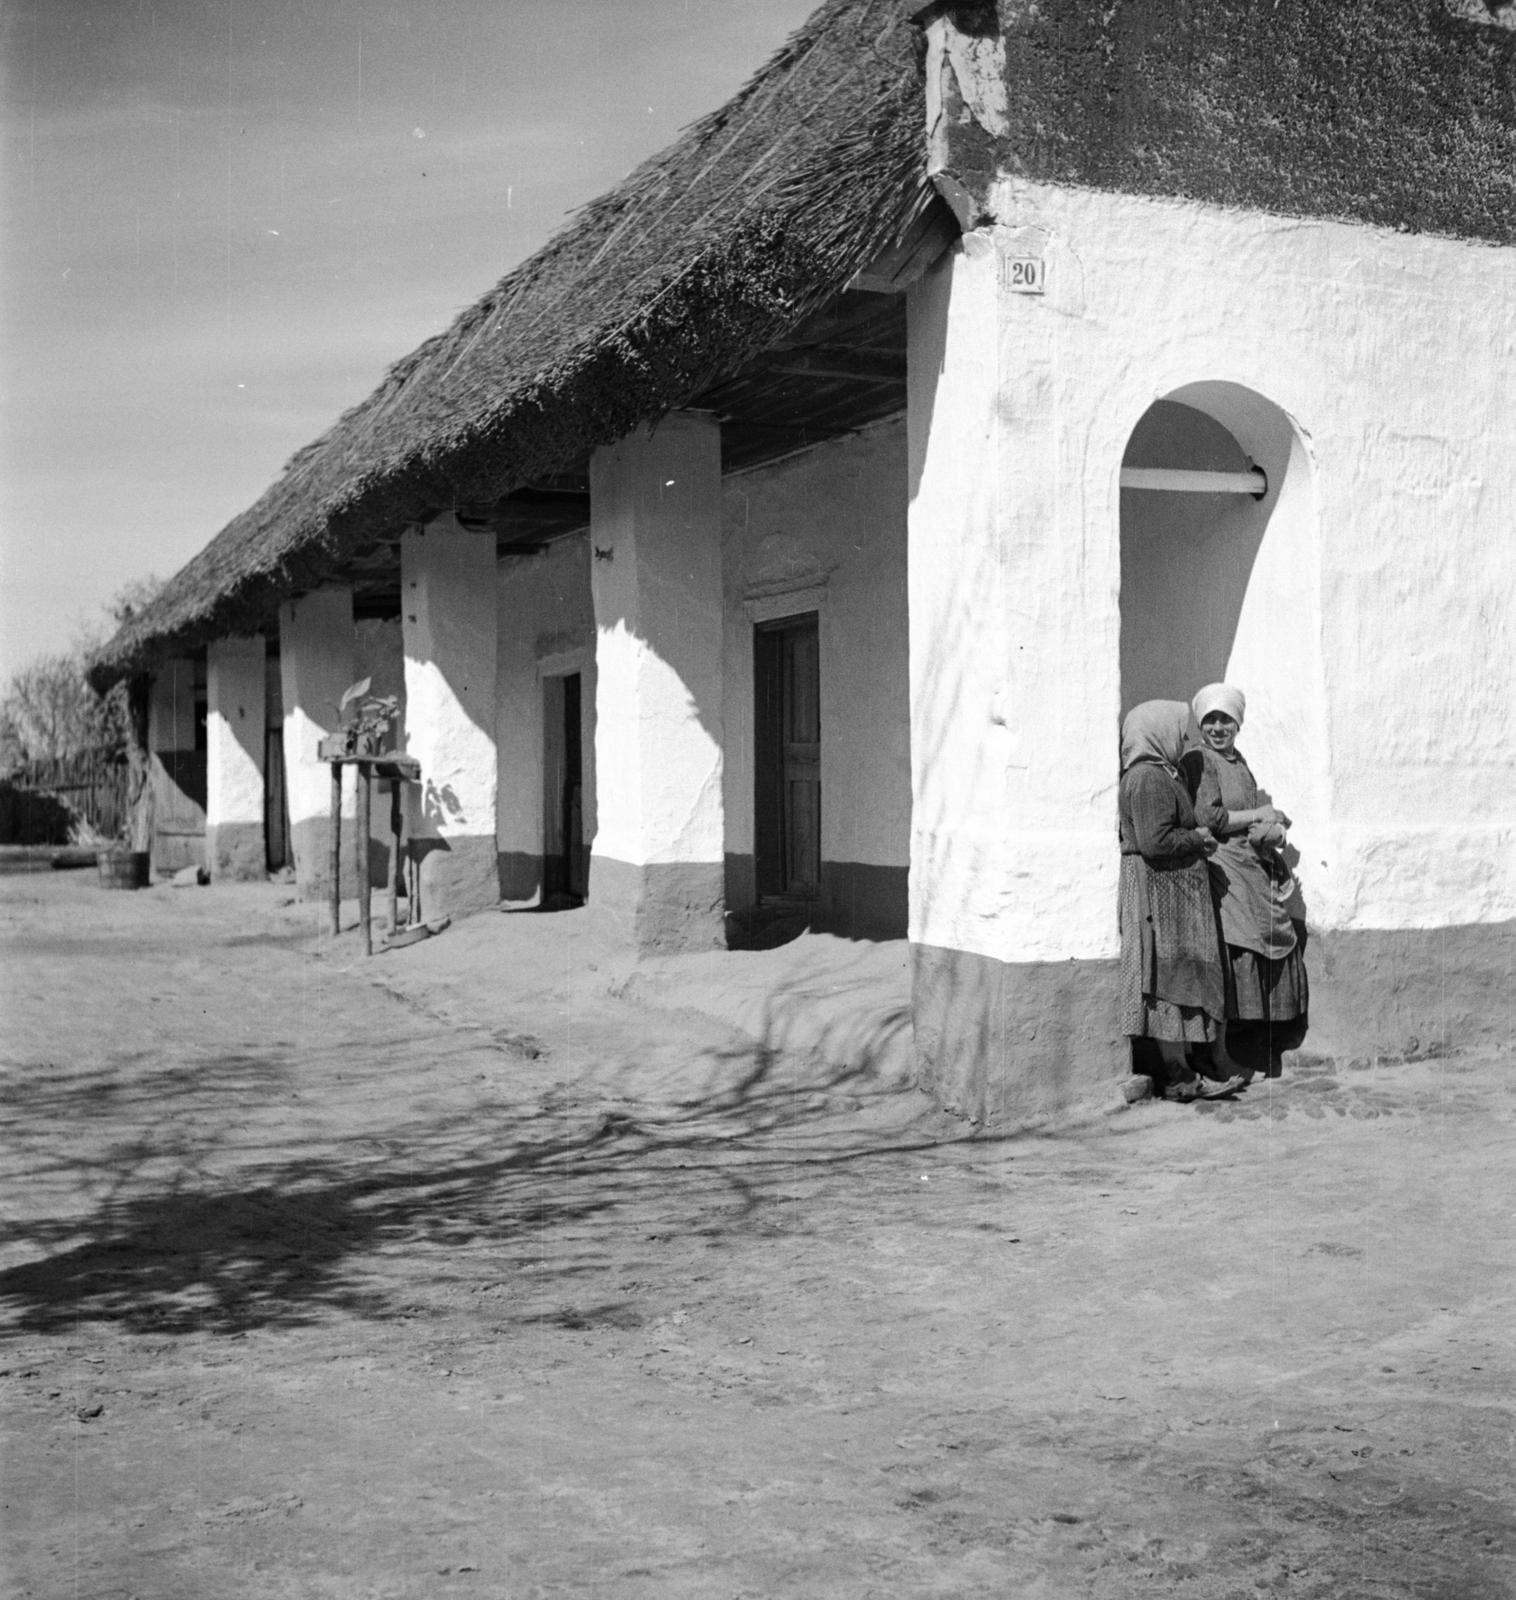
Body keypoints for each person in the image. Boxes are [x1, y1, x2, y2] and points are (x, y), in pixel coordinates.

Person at [1118, 700, 1246, 1102]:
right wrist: (1200, 839)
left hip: (1171, 890)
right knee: (1167, 986)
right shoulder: (1148, 779)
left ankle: (1187, 1072)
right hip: (1160, 892)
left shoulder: (1157, 774)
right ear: (1157, 732)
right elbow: (1156, 841)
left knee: (1177, 981)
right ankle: (1179, 1077)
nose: (1186, 738)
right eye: (1180, 730)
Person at [1191, 683, 1309, 1072]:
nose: (1218, 728)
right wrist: (1259, 816)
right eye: (1210, 720)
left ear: (1237, 724)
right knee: (1237, 946)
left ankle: (1255, 1045)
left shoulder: (1238, 762)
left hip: (1250, 862)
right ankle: (1220, 1053)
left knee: (1272, 935)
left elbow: (1243, 809)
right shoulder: (1202, 761)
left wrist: (1271, 818)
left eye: (1225, 720)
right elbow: (1212, 818)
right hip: (1224, 867)